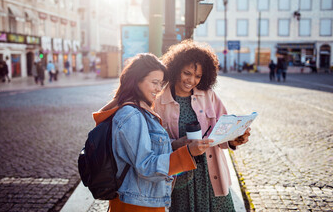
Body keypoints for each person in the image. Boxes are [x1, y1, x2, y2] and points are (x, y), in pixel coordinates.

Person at [93, 53, 214, 212]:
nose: (158, 89)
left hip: (141, 199)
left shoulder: (138, 109)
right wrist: (188, 152)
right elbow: (145, 165)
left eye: (161, 83)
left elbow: (142, 149)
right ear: (136, 81)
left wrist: (176, 144)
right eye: (154, 83)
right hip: (137, 204)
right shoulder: (132, 115)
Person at [154, 40, 251, 212]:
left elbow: (224, 131)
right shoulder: (158, 101)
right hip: (180, 177)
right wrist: (181, 144)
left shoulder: (209, 96)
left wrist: (234, 139)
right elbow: (153, 143)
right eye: (187, 73)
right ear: (175, 68)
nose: (192, 80)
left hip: (211, 173)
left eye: (198, 76)